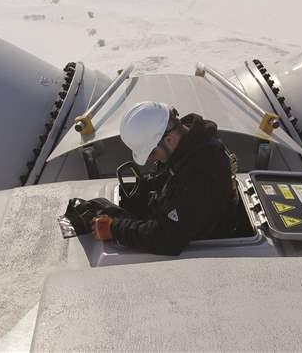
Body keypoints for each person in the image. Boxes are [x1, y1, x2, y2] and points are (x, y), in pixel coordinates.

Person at [90, 101, 240, 255]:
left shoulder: (200, 172)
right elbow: (173, 173)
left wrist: (113, 229)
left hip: (200, 238)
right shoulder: (192, 143)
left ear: (168, 139)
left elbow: (166, 239)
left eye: (151, 154)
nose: (152, 161)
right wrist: (147, 185)